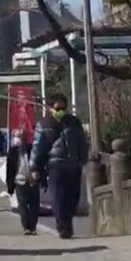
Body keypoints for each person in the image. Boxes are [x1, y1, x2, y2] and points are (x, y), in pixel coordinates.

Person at [30, 94, 88, 239]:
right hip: (55, 165)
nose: (61, 110)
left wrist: (83, 159)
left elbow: (82, 141)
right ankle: (63, 228)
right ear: (50, 108)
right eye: (58, 108)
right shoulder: (44, 124)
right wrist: (34, 167)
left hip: (73, 165)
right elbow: (37, 147)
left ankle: (67, 223)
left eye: (63, 107)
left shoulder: (74, 122)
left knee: (73, 198)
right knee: (59, 197)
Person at [5, 131, 41, 235]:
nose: (19, 140)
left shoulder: (32, 150)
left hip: (32, 181)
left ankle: (33, 227)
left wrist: (40, 176)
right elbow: (10, 170)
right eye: (17, 137)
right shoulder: (13, 152)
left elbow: (39, 163)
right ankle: (26, 227)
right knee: (23, 205)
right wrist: (10, 187)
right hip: (19, 181)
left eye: (21, 137)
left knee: (34, 205)